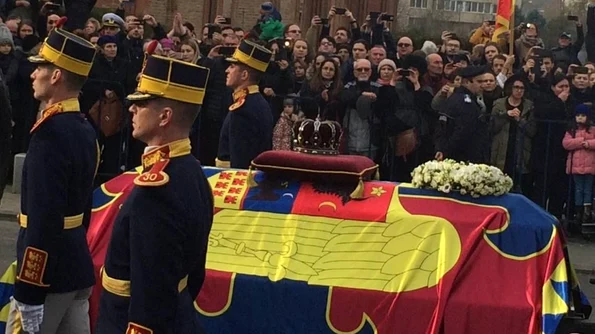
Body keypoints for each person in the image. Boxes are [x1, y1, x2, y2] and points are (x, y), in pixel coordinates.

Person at [95, 54, 214, 333]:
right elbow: (193, 276)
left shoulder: (158, 190)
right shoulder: (192, 171)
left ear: (165, 116)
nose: (132, 109)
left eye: (142, 103)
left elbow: (151, 291)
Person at [5, 22, 99, 334]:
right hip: (75, 264)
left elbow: (43, 219)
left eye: (40, 68)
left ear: (56, 75)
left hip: (47, 278)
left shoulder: (49, 134)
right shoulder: (84, 128)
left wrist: (30, 290)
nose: (33, 75)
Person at [217, 39, 274, 169]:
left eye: (232, 66)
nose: (227, 70)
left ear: (244, 75)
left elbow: (239, 163)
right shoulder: (257, 102)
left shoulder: (243, 109)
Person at [436, 66, 489, 163]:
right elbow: (462, 132)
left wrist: (442, 148)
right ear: (466, 82)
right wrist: (447, 150)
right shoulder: (466, 103)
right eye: (479, 82)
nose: (483, 85)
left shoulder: (455, 97)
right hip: (463, 155)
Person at [563, 104, 595, 224]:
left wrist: (589, 144)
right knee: (578, 189)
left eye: (583, 115)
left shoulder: (592, 130)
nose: (580, 118)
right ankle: (578, 212)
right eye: (578, 115)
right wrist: (581, 142)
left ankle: (586, 212)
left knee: (587, 189)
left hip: (590, 166)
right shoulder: (572, 131)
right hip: (575, 166)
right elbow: (566, 143)